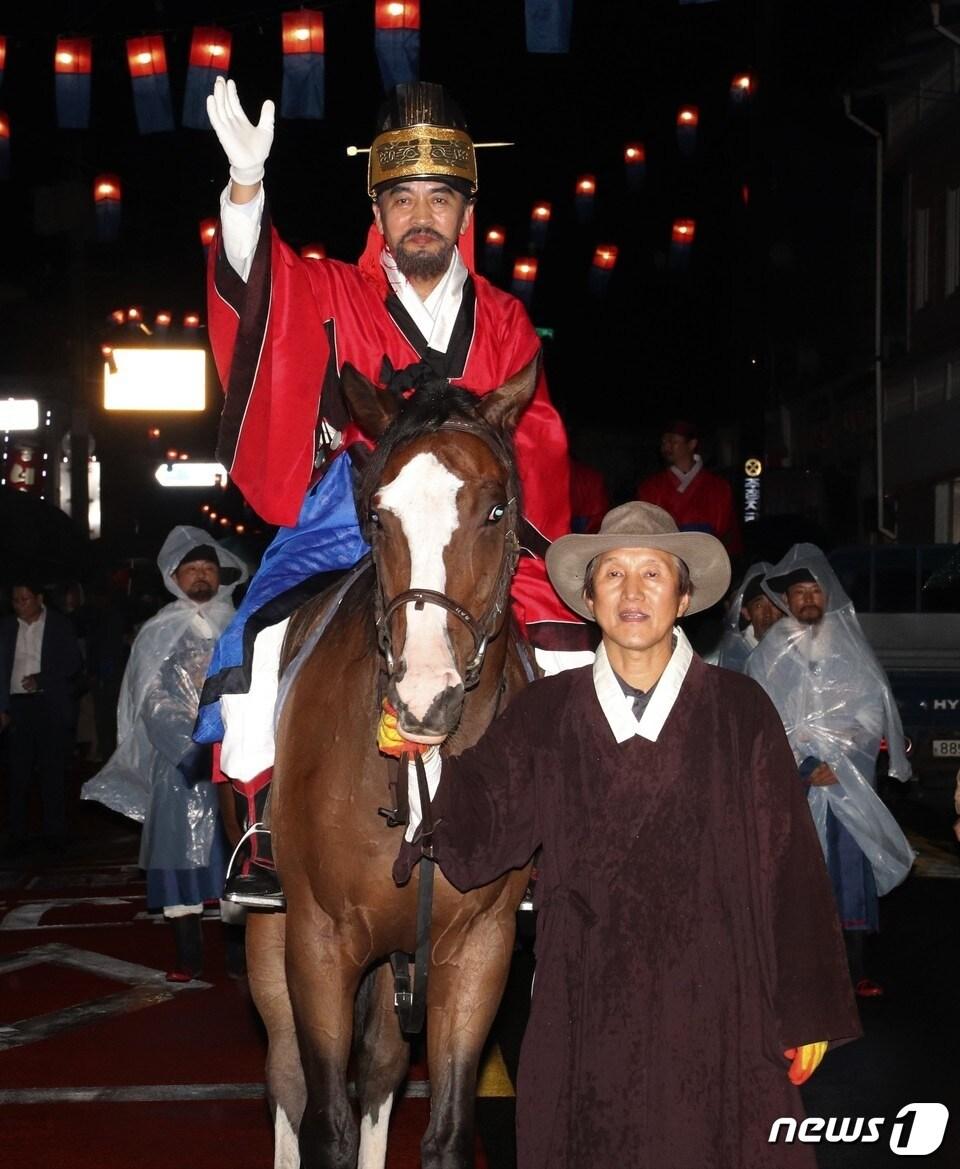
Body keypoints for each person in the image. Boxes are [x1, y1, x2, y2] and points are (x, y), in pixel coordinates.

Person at [199, 77, 590, 907]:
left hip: (476, 526)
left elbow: (538, 430)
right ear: (376, 213)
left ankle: (560, 838)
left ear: (465, 213)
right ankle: (267, 828)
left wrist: (500, 511)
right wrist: (244, 191)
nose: (421, 215)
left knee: (569, 653)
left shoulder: (506, 316)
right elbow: (256, 298)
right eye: (402, 197)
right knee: (259, 643)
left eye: (440, 198)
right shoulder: (332, 291)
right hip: (354, 512)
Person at [390, 503, 860, 1169]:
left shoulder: (740, 712)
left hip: (717, 997)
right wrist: (426, 752)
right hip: (587, 1000)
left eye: (652, 573)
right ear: (588, 597)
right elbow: (479, 825)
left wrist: (804, 1005)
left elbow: (791, 867)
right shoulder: (547, 715)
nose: (632, 592)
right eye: (613, 574)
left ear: (684, 593)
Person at [746, 544, 915, 999]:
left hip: (846, 786)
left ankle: (853, 971)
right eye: (797, 592)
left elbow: (869, 714)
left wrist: (840, 763)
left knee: (846, 876)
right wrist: (801, 767)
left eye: (813, 591)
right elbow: (762, 719)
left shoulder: (850, 648)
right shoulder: (771, 653)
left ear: (828, 594)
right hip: (794, 787)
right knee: (797, 878)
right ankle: (798, 975)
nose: (806, 600)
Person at [82, 529, 248, 981]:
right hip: (180, 764)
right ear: (174, 576)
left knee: (237, 856)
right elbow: (152, 699)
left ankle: (238, 957)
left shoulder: (240, 624)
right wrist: (193, 746)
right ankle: (188, 957)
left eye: (208, 569)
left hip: (238, 757)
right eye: (191, 570)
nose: (200, 576)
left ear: (220, 576)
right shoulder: (158, 631)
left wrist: (238, 738)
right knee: (178, 856)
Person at [0, 580, 82, 851]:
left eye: (24, 599)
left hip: (49, 704)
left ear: (39, 598)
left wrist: (43, 679)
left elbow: (72, 663)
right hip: (18, 706)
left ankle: (54, 832)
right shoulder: (7, 628)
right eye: (15, 601)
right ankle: (17, 832)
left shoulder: (59, 625)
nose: (20, 605)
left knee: (52, 768)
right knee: (18, 770)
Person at [634, 419, 741, 553]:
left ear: (692, 444)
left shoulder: (719, 487)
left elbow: (728, 533)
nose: (666, 447)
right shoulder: (650, 487)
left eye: (673, 442)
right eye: (664, 442)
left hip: (708, 557)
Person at [715, 560, 781, 671]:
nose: (768, 614)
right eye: (759, 606)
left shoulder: (797, 649)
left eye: (774, 604)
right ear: (746, 612)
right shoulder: (731, 658)